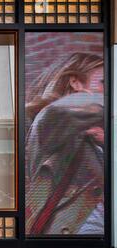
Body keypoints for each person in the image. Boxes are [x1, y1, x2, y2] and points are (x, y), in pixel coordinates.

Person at [25, 52, 104, 235]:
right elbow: (59, 112)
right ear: (75, 82)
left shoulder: (96, 135)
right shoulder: (52, 122)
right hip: (73, 238)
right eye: (104, 83)